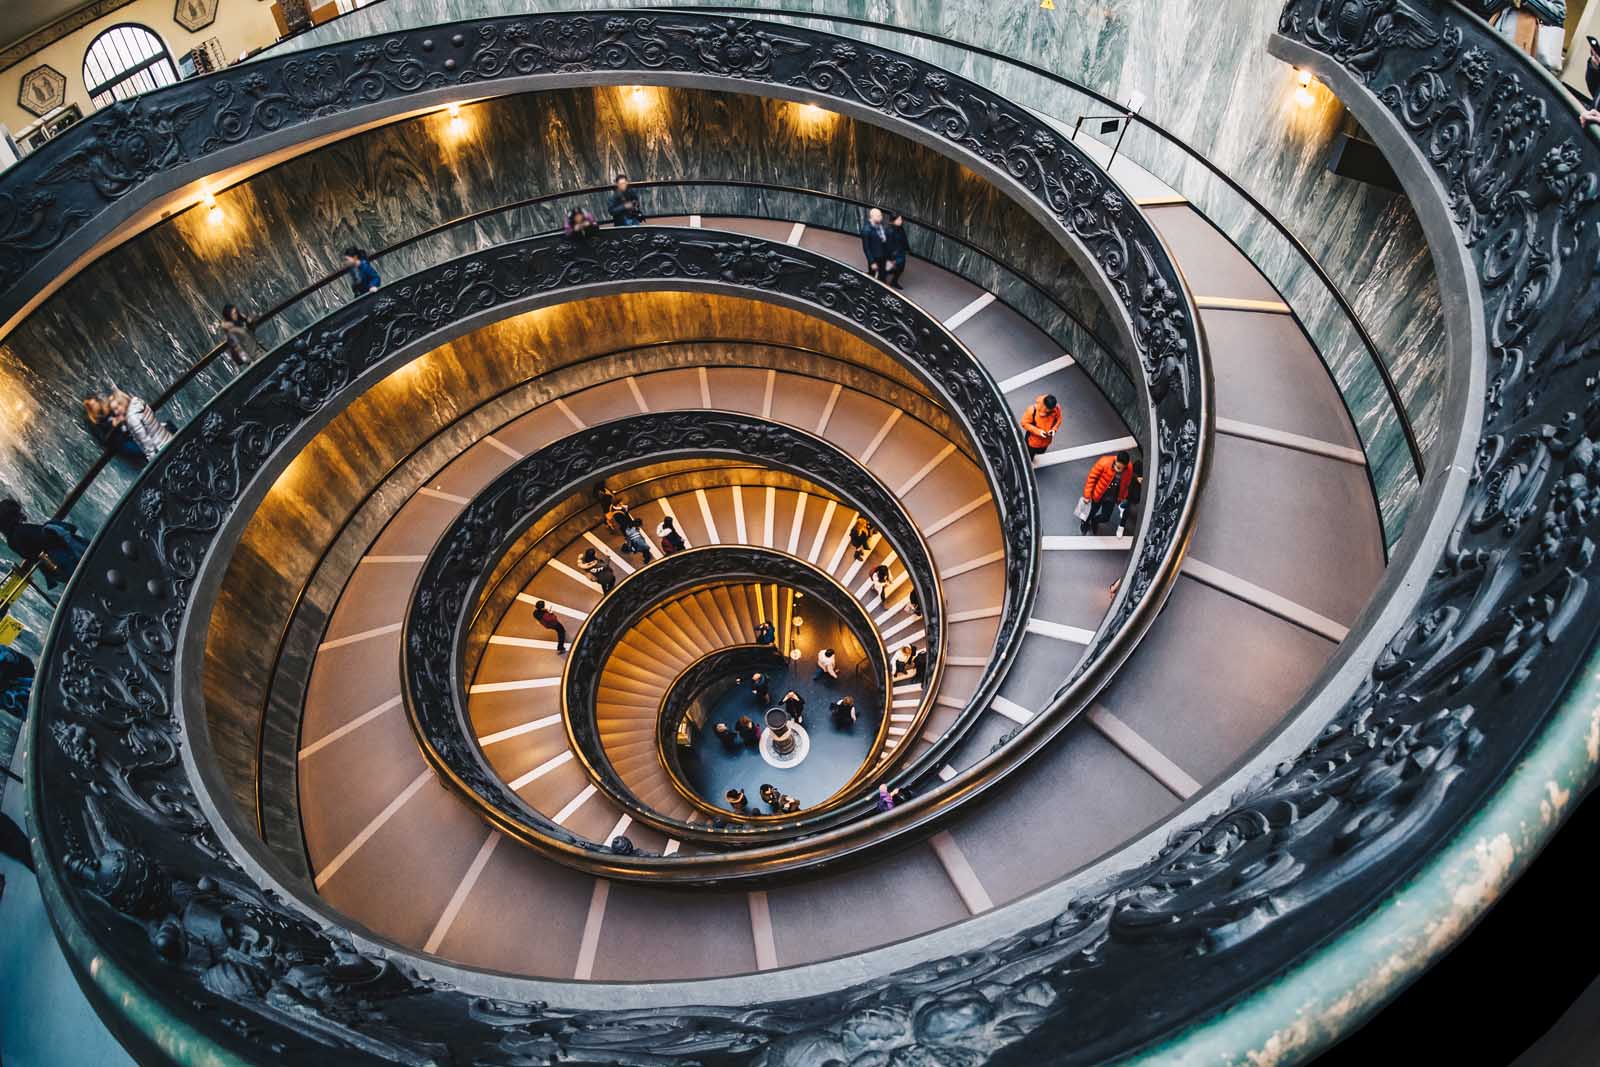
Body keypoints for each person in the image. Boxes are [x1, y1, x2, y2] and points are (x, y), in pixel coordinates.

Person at [0, 498, 89, 590]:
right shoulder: (21, 531)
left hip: (55, 572)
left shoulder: (11, 542)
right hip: (66, 561)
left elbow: (33, 552)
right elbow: (48, 539)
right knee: (51, 526)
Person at [106, 387, 173, 460]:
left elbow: (145, 440)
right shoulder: (137, 402)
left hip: (161, 449)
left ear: (122, 403)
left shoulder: (132, 418)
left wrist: (151, 459)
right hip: (168, 438)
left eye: (116, 408)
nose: (116, 412)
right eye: (114, 410)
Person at [1080, 451, 1134, 535]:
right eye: (1118, 467)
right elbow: (1092, 478)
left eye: (1122, 468)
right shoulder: (1104, 462)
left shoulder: (1129, 468)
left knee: (1105, 517)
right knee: (1091, 512)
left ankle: (1095, 521)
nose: (1119, 470)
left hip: (1111, 498)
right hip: (1098, 494)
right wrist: (1087, 495)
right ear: (1115, 460)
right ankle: (1085, 524)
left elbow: (1126, 484)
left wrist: (1122, 497)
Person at [83, 394, 145, 465]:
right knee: (140, 450)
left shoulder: (107, 409)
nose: (96, 405)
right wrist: (113, 426)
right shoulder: (95, 424)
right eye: (93, 405)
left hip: (128, 432)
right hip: (121, 442)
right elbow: (104, 440)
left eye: (96, 402)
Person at [1115, 459, 1145, 537]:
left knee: (1130, 503)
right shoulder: (1139, 464)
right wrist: (1137, 478)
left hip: (1138, 493)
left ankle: (1121, 506)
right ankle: (1121, 526)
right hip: (1132, 491)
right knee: (1127, 508)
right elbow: (1129, 473)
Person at [860, 207, 889, 279]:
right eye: (879, 216)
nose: (881, 218)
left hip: (882, 255)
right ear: (872, 216)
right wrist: (872, 262)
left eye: (881, 215)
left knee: (882, 275)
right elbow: (866, 248)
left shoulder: (879, 225)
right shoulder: (866, 230)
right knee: (873, 276)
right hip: (875, 257)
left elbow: (883, 240)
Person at [884, 213, 910, 288]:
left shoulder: (900, 228)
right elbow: (887, 245)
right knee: (887, 268)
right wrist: (890, 257)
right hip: (892, 254)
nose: (901, 221)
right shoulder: (889, 230)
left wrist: (907, 248)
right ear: (893, 220)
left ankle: (894, 282)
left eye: (901, 219)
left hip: (900, 253)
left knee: (901, 268)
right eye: (899, 219)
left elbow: (904, 239)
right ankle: (882, 281)